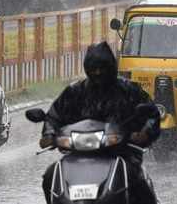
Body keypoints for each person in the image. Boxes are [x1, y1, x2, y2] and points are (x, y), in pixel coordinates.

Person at [40, 41, 160, 204]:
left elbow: (151, 113)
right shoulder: (75, 92)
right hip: (77, 155)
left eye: (102, 68)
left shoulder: (129, 90)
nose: (98, 72)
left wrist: (144, 133)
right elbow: (54, 115)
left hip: (122, 153)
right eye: (93, 68)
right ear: (87, 68)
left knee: (138, 180)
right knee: (50, 175)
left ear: (111, 67)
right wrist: (49, 133)